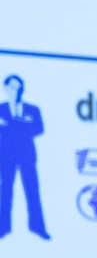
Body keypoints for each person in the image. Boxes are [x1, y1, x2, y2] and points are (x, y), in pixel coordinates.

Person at [0, 74, 49, 240]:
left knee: (32, 190)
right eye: (13, 88)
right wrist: (22, 124)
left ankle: (37, 227)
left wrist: (13, 125)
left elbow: (39, 128)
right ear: (6, 89)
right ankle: (3, 227)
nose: (16, 91)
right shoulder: (1, 109)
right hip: (6, 156)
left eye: (19, 88)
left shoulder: (32, 109)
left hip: (27, 155)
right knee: (6, 190)